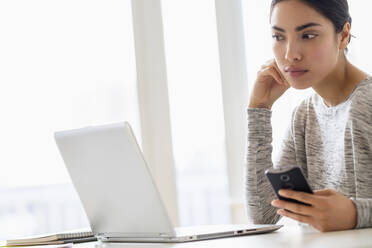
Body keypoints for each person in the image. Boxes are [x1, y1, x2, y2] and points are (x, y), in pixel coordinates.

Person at [245, 0, 372, 232]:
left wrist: (355, 214)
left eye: (308, 35)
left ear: (343, 35)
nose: (290, 54)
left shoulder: (368, 103)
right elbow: (263, 213)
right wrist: (259, 110)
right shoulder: (303, 116)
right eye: (278, 37)